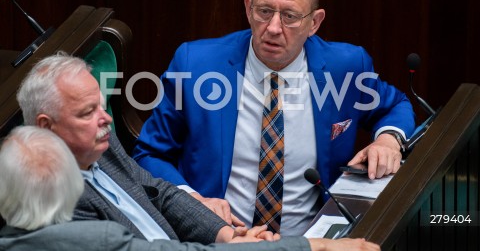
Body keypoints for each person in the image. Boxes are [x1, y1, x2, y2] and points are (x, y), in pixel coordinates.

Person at [132, 0, 416, 236]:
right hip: (221, 238)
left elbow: (395, 106)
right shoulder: (196, 65)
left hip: (310, 241)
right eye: (264, 11)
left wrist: (389, 140)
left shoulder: (347, 67)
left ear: (314, 23)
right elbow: (149, 153)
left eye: (290, 16)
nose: (274, 28)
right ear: (248, 8)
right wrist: (193, 201)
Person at [0, 125, 380, 251]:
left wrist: (228, 236)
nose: (103, 120)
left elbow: (158, 192)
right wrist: (318, 245)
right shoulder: (96, 237)